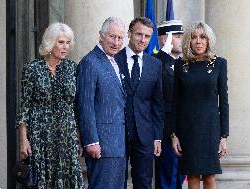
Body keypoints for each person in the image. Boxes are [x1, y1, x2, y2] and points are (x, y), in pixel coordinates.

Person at [16, 22, 84, 188]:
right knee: (42, 180)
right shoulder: (32, 68)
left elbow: (76, 107)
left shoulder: (72, 68)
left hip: (67, 136)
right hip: (40, 135)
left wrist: (80, 138)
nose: (65, 47)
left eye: (68, 43)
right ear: (49, 42)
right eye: (61, 42)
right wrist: (23, 140)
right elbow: (24, 107)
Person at [171, 22, 229, 189]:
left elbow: (223, 102)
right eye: (194, 37)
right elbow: (175, 101)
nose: (198, 41)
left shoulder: (219, 64)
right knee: (193, 175)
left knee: (210, 175)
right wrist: (173, 135)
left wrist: (224, 136)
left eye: (202, 37)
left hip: (211, 129)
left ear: (209, 40)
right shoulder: (180, 65)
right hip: (188, 130)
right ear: (188, 41)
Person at [77, 17, 126, 189]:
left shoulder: (115, 61)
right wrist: (91, 141)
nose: (116, 42)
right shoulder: (90, 62)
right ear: (101, 36)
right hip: (102, 145)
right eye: (112, 37)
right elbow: (85, 105)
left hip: (118, 144)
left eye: (120, 38)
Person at [115, 17, 164, 189]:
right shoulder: (114, 59)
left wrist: (157, 137)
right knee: (117, 181)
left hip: (145, 134)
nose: (143, 40)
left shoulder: (155, 65)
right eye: (139, 34)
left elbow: (158, 104)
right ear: (129, 34)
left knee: (143, 182)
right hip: (117, 132)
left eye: (148, 36)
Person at [154, 20, 186, 189]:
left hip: (184, 131)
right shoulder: (157, 61)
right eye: (178, 36)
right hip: (166, 133)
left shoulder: (183, 63)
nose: (183, 40)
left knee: (179, 179)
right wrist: (164, 52)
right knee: (167, 179)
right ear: (164, 39)